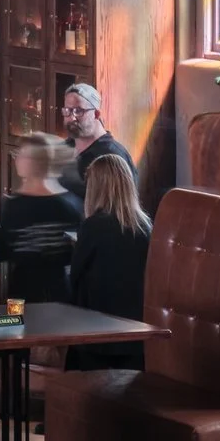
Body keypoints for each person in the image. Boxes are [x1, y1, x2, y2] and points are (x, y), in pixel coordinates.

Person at [69, 154, 152, 370]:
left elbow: (76, 277)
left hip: (96, 339)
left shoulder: (94, 227)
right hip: (136, 339)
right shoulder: (146, 229)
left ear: (96, 188)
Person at [0, 133, 81, 303]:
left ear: (36, 162)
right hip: (55, 293)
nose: (16, 159)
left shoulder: (14, 205)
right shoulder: (70, 203)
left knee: (15, 327)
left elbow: (0, 251)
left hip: (24, 294)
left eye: (22, 155)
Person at [56, 83, 135, 199]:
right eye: (67, 110)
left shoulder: (112, 156)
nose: (71, 118)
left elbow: (119, 210)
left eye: (78, 111)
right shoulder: (64, 148)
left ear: (96, 114)